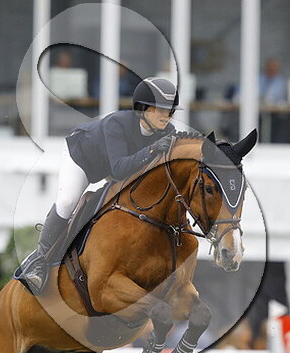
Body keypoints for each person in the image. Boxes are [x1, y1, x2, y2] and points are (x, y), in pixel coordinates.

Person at [17, 76, 179, 292]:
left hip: (112, 166)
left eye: (170, 111)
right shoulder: (117, 123)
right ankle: (39, 261)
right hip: (82, 159)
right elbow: (119, 169)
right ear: (143, 108)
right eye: (161, 110)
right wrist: (152, 149)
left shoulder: (168, 132)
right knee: (67, 201)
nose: (166, 116)